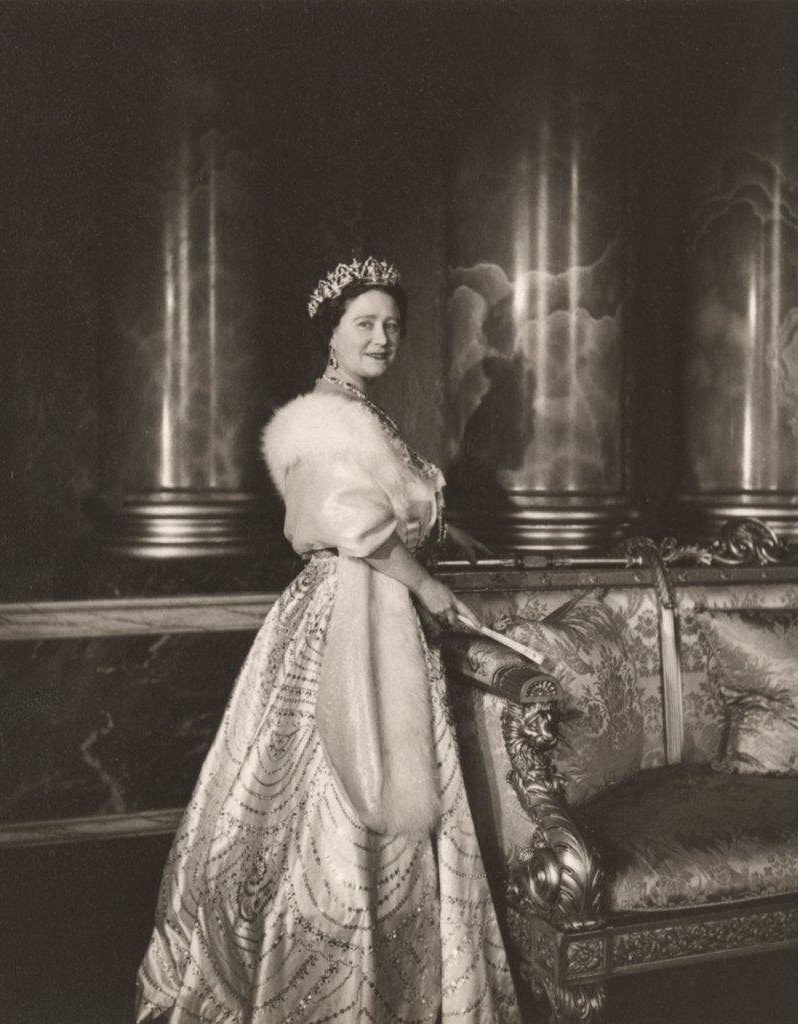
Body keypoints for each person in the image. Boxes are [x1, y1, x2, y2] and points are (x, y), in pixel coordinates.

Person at [135, 256, 519, 1023]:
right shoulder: (319, 417)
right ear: (332, 335)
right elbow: (350, 521)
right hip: (346, 618)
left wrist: (449, 537)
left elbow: (386, 507)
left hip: (381, 611)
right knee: (337, 801)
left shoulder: (366, 415)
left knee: (392, 802)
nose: (381, 338)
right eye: (364, 324)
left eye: (392, 326)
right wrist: (426, 584)